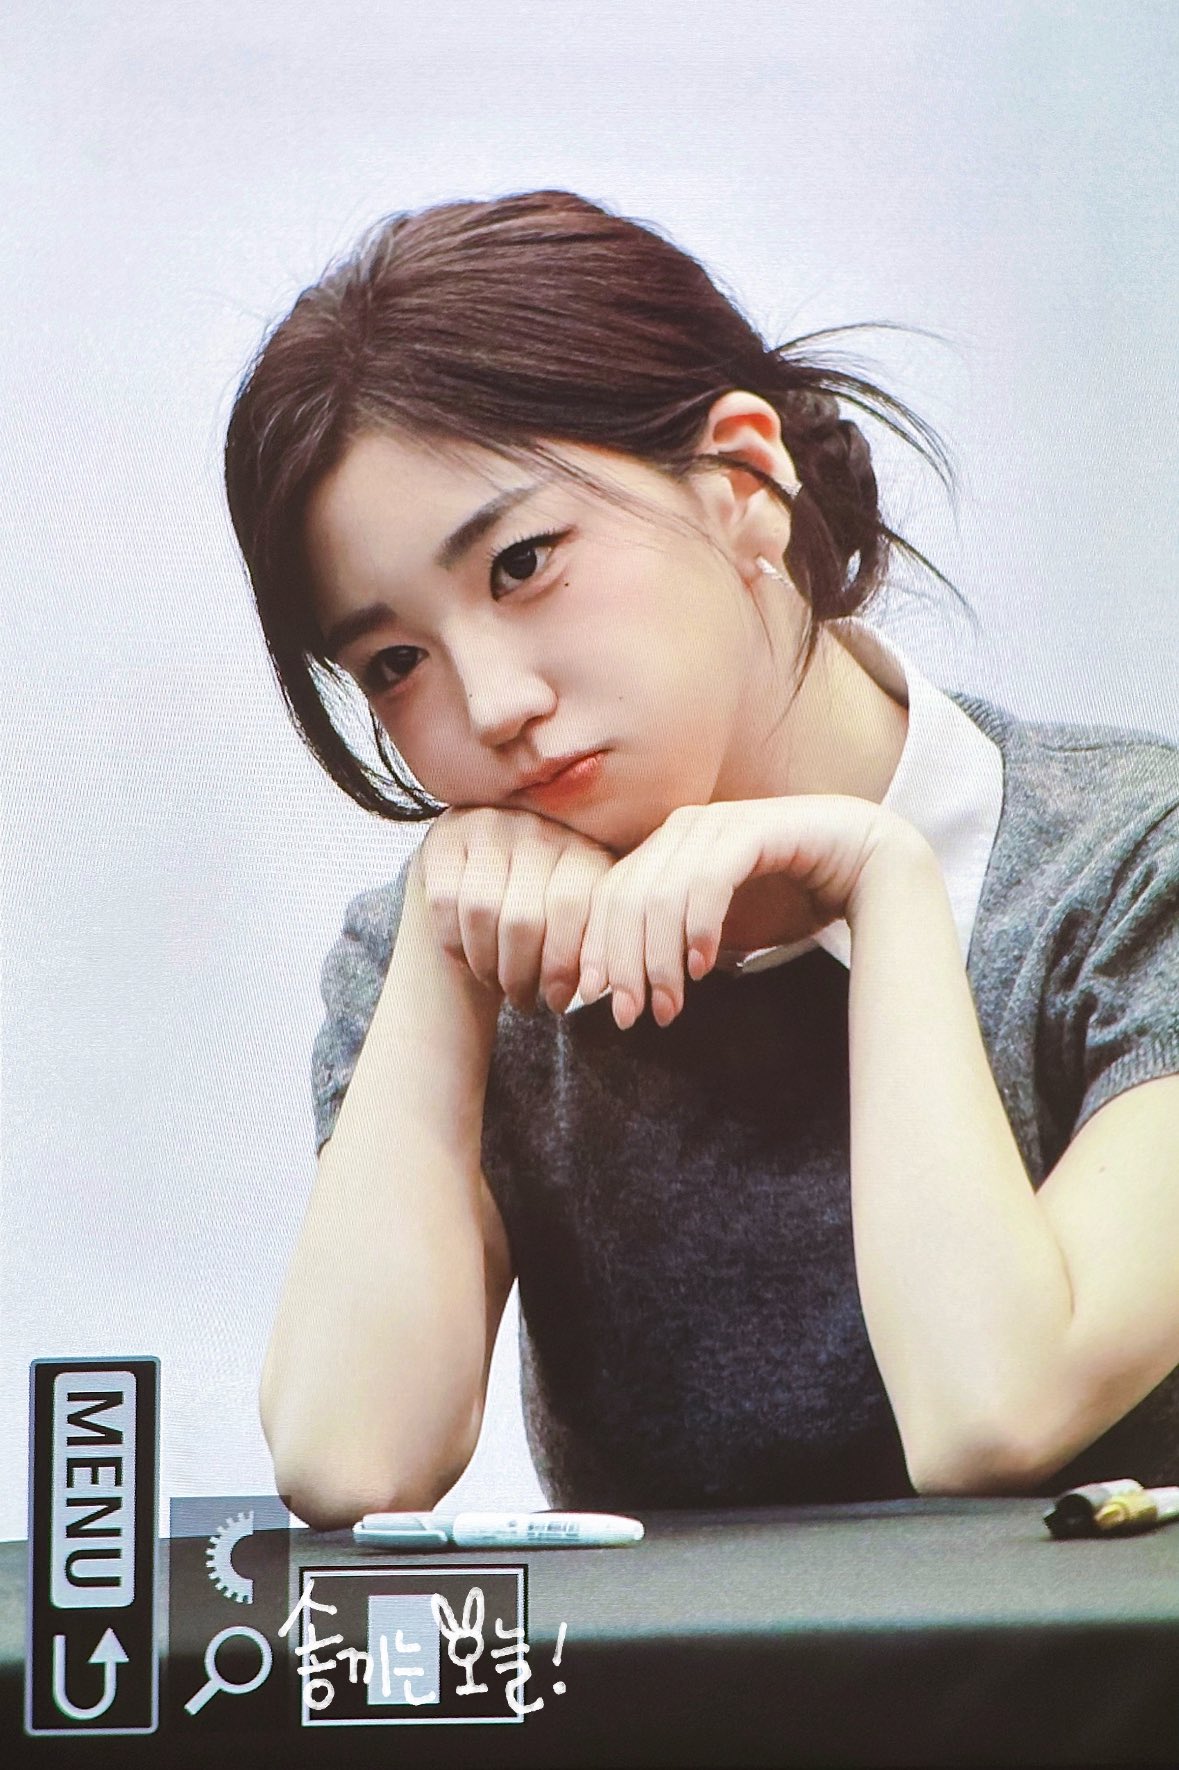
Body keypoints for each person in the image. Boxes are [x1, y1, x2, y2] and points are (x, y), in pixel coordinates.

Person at [225, 190, 1179, 1531]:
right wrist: (439, 964)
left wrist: (884, 886)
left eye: (523, 562)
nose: (491, 706)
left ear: (741, 484)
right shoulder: (460, 948)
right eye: (393, 663)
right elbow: (349, 1460)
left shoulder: (1135, 868)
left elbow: (993, 1412)